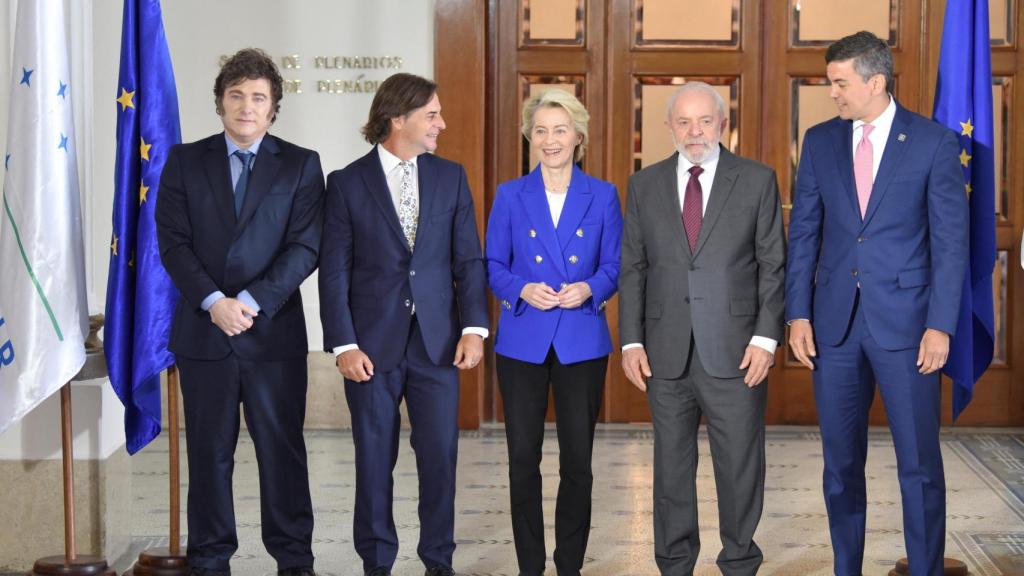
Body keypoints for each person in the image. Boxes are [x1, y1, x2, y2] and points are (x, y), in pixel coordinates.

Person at [786, 31, 968, 576]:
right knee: (841, 466)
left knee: (918, 466)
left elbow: (950, 244)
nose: (832, 94)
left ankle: (927, 569)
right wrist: (798, 313)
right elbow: (804, 235)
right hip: (834, 328)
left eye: (840, 83)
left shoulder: (934, 143)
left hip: (910, 330)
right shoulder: (819, 142)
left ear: (876, 82)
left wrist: (940, 326)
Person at [155, 48, 323, 576]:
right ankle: (209, 559)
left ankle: (294, 559)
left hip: (272, 335)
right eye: (236, 96)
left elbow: (305, 247)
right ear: (220, 102)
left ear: (273, 108)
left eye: (258, 97)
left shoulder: (300, 163)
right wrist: (214, 303)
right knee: (208, 456)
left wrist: (248, 303)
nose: (246, 107)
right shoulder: (184, 160)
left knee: (283, 455)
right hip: (205, 334)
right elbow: (173, 243)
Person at [318, 72, 489, 576]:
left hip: (439, 345)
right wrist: (343, 343)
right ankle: (377, 563)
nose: (442, 123)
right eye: (432, 114)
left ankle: (439, 562)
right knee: (374, 463)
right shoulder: (347, 183)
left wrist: (474, 328)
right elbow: (334, 270)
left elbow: (468, 262)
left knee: (440, 460)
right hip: (370, 349)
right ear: (398, 118)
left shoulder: (451, 177)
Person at [619, 81, 785, 576]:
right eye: (684, 122)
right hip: (664, 350)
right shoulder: (643, 185)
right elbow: (634, 267)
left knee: (738, 467)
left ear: (723, 124)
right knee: (671, 470)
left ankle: (739, 562)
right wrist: (630, 340)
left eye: (705, 121)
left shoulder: (756, 180)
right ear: (669, 126)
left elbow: (773, 264)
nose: (695, 132)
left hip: (736, 350)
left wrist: (765, 337)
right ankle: (674, 565)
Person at [485, 89, 622, 576]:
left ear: (578, 136)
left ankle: (569, 566)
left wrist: (590, 287)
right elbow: (494, 265)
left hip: (581, 340)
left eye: (560, 130)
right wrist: (522, 289)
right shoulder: (510, 195)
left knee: (577, 463)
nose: (549, 140)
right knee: (523, 458)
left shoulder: (603, 194)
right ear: (530, 137)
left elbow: (615, 264)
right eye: (540, 130)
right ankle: (529, 566)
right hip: (523, 339)